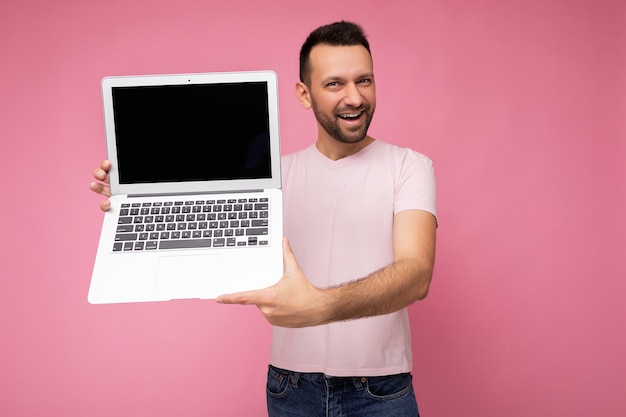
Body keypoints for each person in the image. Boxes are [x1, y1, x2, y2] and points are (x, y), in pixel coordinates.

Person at [91, 21, 437, 417]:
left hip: (380, 391)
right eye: (334, 84)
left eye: (364, 80)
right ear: (303, 95)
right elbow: (202, 211)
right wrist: (135, 197)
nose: (354, 97)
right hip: (292, 389)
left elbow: (416, 273)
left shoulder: (410, 166)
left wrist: (320, 307)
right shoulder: (272, 181)